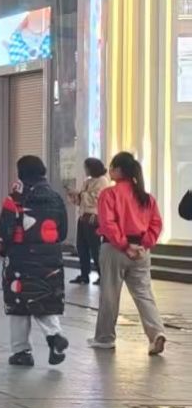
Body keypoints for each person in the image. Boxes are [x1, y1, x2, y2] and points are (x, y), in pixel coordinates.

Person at [91, 150, 167, 356]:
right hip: (141, 251)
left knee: (110, 294)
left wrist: (125, 245)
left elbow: (108, 224)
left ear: (119, 170)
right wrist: (144, 244)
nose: (109, 171)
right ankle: (156, 333)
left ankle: (105, 338)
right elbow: (156, 224)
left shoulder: (109, 194)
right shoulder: (146, 198)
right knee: (144, 294)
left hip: (114, 249)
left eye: (112, 167)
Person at [0, 155, 69, 367]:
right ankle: (54, 335)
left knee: (19, 305)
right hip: (51, 258)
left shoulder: (15, 199)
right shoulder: (56, 198)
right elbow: (63, 232)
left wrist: (3, 248)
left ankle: (22, 352)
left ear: (21, 173)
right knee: (44, 298)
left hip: (20, 258)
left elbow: (5, 232)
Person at [69, 157, 110, 285]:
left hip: (93, 217)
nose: (85, 170)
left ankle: (102, 275)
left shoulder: (102, 181)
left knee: (95, 248)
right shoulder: (87, 181)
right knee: (81, 247)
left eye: (86, 168)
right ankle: (84, 274)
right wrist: (74, 195)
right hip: (83, 216)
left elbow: (96, 199)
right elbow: (82, 200)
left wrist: (80, 194)